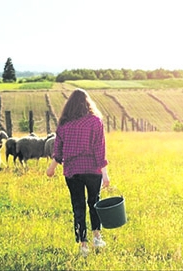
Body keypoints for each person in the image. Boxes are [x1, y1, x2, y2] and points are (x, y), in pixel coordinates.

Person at [46, 88, 110, 257]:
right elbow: (99, 150)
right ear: (88, 103)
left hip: (72, 171)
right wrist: (105, 173)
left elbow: (58, 151)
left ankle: (83, 245)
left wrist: (51, 168)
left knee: (78, 206)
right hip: (92, 170)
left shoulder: (64, 125)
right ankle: (97, 237)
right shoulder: (96, 122)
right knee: (94, 202)